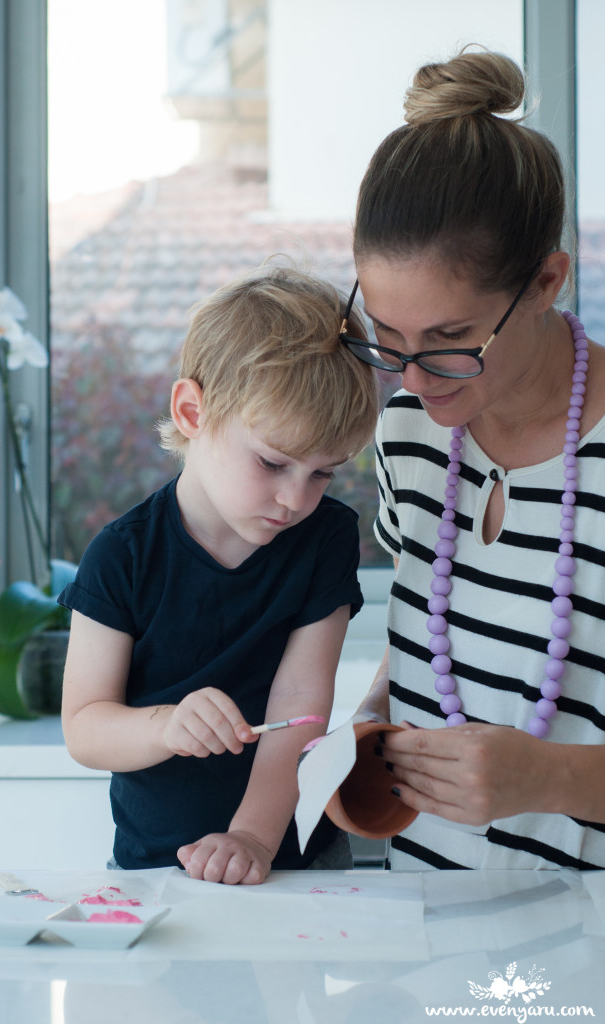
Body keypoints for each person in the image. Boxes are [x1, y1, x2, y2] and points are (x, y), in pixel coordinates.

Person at [340, 46, 605, 870]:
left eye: (452, 339)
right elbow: (433, 619)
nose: (413, 379)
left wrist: (554, 777)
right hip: (421, 929)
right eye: (386, 337)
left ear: (546, 281)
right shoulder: (410, 430)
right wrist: (371, 721)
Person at [59, 262, 379, 884]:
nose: (296, 499)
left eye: (323, 473)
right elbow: (85, 728)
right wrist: (167, 725)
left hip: (295, 862)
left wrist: (252, 836)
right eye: (273, 461)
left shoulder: (326, 537)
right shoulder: (120, 555)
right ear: (192, 411)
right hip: (155, 868)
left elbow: (302, 705)